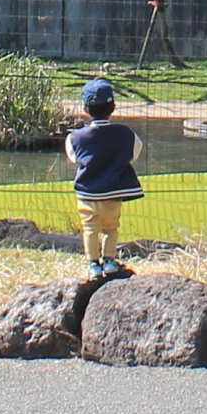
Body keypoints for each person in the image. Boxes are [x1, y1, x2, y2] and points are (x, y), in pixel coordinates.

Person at [67, 77, 145, 279]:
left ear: (86, 108)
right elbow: (134, 153)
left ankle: (93, 264)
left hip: (87, 194)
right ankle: (109, 260)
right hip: (113, 192)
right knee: (111, 228)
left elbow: (74, 158)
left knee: (90, 229)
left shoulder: (75, 137)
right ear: (113, 107)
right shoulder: (125, 133)